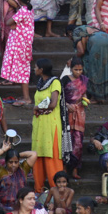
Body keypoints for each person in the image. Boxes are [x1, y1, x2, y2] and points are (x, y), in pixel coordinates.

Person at [30, 59, 65, 193]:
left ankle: (56, 189)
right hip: (39, 123)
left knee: (51, 156)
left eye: (36, 67)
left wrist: (36, 107)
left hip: (51, 123)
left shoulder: (55, 82)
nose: (34, 69)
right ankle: (38, 189)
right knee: (38, 155)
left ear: (42, 69)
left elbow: (53, 104)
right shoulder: (40, 83)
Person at [0, 0, 35, 106]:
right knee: (22, 70)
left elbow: (9, 22)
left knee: (23, 71)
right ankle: (25, 97)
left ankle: (26, 98)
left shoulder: (23, 11)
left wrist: (14, 23)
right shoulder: (29, 9)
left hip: (20, 46)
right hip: (23, 44)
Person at [71, 24, 108, 101]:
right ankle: (107, 95)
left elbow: (81, 51)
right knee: (107, 68)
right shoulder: (89, 27)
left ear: (69, 33)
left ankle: (95, 97)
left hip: (98, 42)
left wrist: (72, 60)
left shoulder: (76, 31)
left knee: (94, 69)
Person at [62, 57, 89, 179]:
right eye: (75, 69)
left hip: (80, 113)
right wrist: (67, 105)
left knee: (78, 142)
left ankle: (75, 169)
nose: (78, 72)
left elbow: (84, 94)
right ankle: (64, 168)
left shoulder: (84, 80)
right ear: (71, 69)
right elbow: (59, 97)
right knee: (66, 141)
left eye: (80, 70)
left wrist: (85, 100)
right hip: (67, 113)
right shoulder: (65, 80)